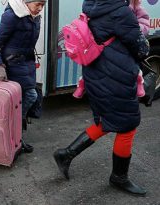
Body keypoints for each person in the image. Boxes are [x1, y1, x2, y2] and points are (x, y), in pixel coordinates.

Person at [53, 0, 150, 196]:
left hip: (95, 75)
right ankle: (118, 178)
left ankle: (66, 154)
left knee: (108, 120)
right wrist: (139, 18)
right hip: (116, 78)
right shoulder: (121, 11)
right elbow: (142, 49)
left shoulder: (91, 5)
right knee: (127, 126)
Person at [0, 0, 46, 153]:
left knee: (22, 103)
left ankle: (15, 139)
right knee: (30, 97)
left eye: (43, 5)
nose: (40, 9)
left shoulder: (34, 17)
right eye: (38, 4)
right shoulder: (12, 16)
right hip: (13, 66)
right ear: (26, 2)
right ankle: (12, 135)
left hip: (27, 65)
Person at [72, 0, 150, 99]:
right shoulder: (117, 9)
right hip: (115, 50)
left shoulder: (92, 5)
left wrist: (134, 27)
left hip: (110, 50)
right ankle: (82, 82)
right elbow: (141, 49)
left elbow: (142, 25)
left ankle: (139, 82)